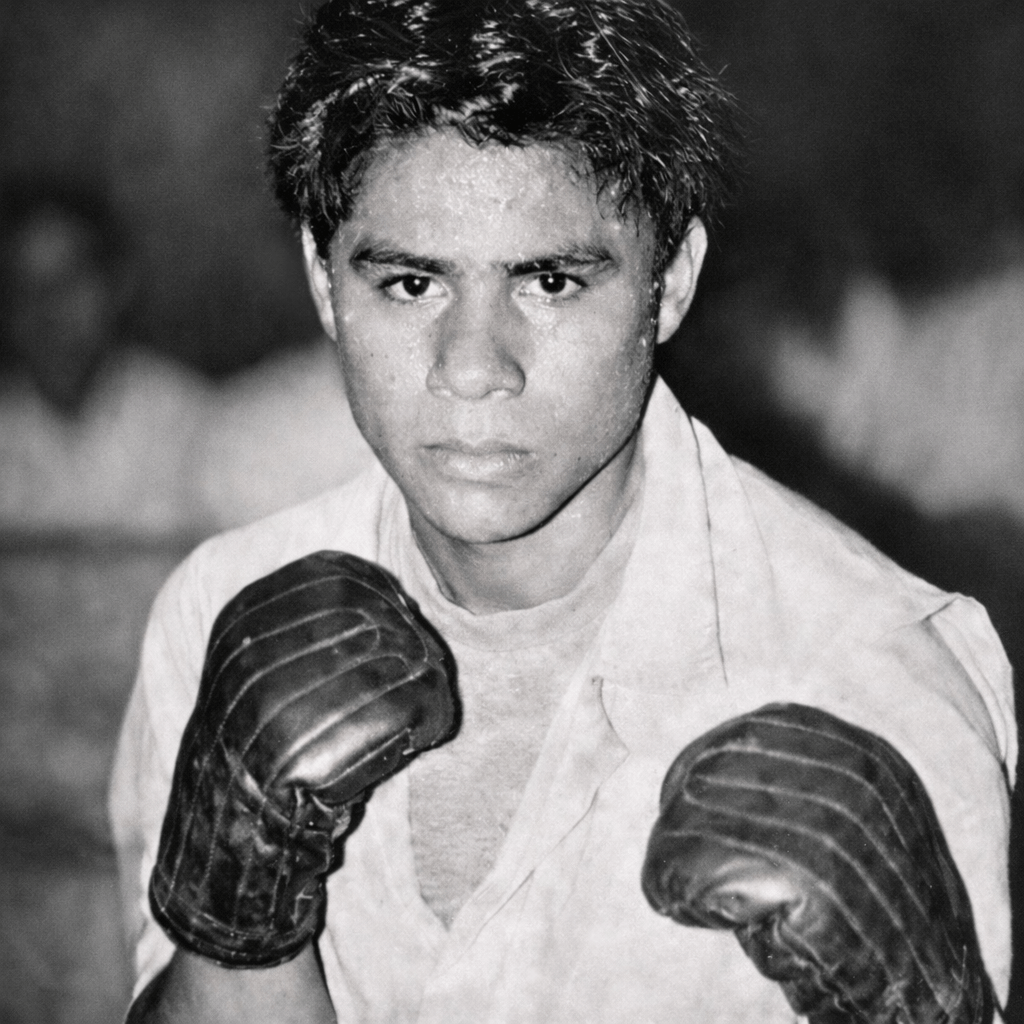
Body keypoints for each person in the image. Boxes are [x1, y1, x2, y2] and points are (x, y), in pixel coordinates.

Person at [108, 1, 1016, 1021]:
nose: (473, 368)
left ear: (669, 281)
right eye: (410, 282)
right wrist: (234, 925)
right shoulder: (217, 610)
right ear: (325, 280)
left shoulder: (875, 671)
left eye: (548, 281)